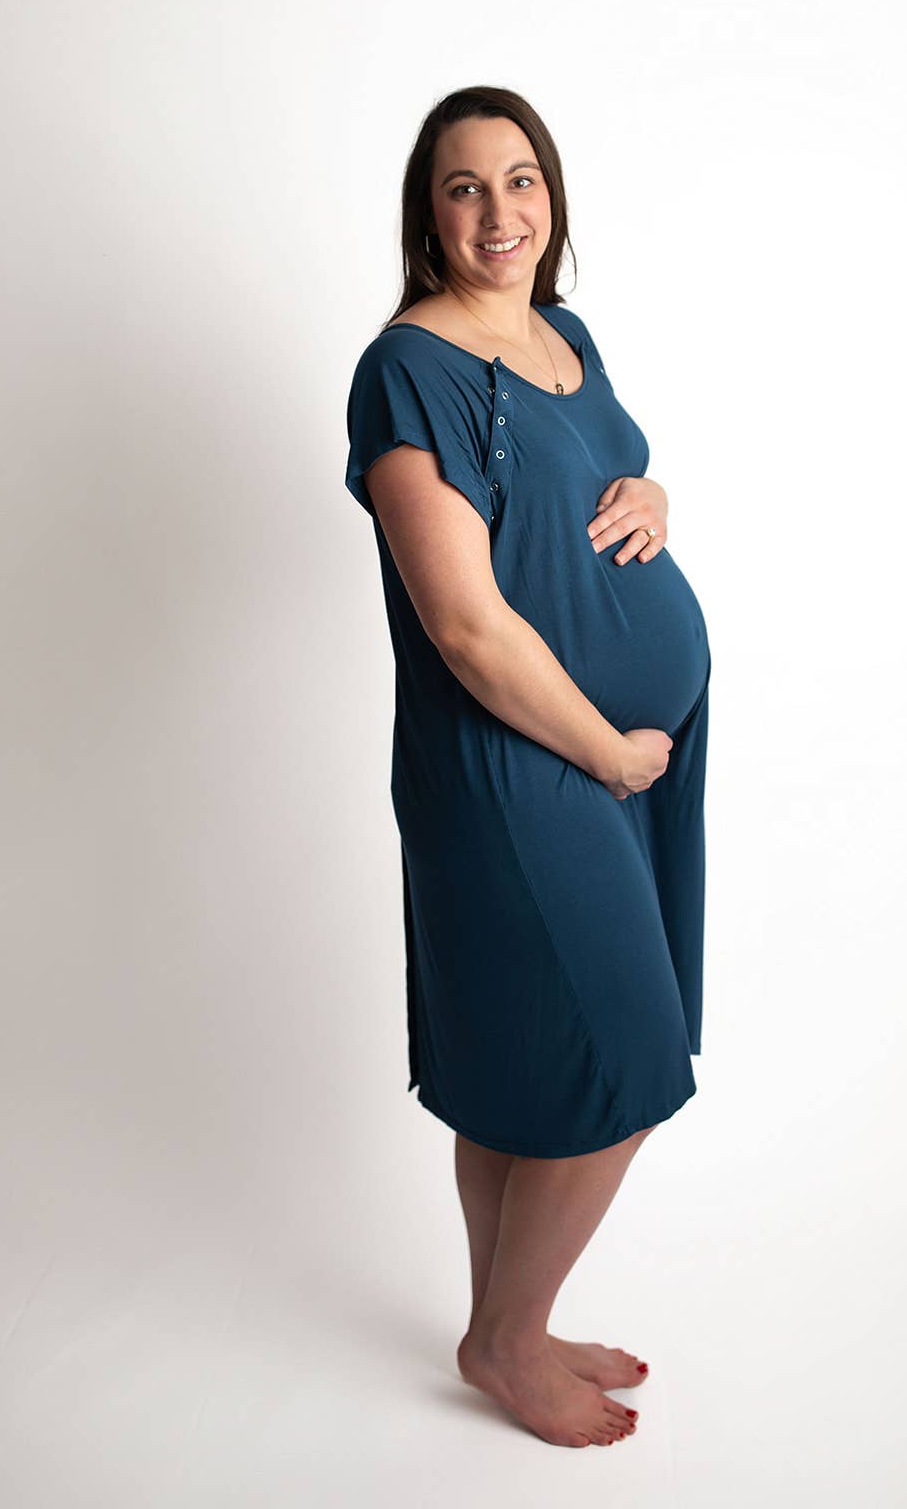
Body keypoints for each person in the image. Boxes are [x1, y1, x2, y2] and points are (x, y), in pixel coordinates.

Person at [344, 86, 712, 1449]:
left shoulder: (565, 335)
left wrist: (655, 494)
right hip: (517, 761)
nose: (498, 212)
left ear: (551, 196)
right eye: (463, 186)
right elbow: (464, 624)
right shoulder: (408, 370)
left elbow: (608, 473)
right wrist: (607, 750)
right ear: (426, 213)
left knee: (520, 1058)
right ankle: (504, 1340)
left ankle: (508, 1320)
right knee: (623, 1055)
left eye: (521, 180)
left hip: (613, 763)